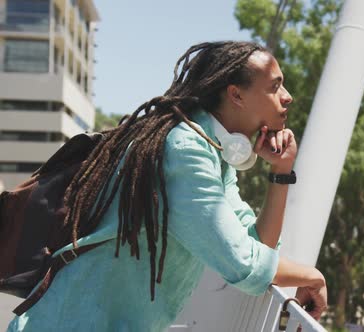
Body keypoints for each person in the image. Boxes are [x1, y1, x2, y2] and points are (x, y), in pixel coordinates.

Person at [7, 41, 327, 331]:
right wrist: (311, 276)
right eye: (275, 86)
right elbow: (242, 264)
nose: (288, 97)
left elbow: (257, 245)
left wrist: (281, 174)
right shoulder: (185, 151)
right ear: (237, 95)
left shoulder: (211, 151)